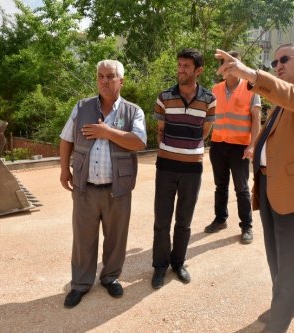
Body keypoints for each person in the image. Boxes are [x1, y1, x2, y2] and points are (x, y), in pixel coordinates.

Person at [215, 44, 294, 333]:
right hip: (270, 184)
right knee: (276, 257)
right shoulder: (283, 98)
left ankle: (278, 324)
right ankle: (286, 305)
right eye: (274, 61)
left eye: (284, 59)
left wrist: (248, 74)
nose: (278, 65)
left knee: (291, 262)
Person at [59, 59, 147, 308]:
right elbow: (66, 139)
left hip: (117, 190)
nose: (105, 81)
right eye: (101, 76)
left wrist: (106, 131)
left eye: (110, 76)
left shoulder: (133, 111)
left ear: (121, 81)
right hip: (85, 187)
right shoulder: (81, 107)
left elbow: (139, 142)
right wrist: (64, 169)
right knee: (83, 238)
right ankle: (80, 284)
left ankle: (110, 278)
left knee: (116, 238)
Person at [151, 48, 216, 289]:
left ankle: (178, 263)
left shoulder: (209, 99)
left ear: (198, 70)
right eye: (179, 65)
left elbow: (204, 133)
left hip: (193, 168)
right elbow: (160, 130)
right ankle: (159, 266)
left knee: (184, 220)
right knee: (162, 219)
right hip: (166, 166)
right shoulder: (164, 97)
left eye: (186, 66)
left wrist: (188, 150)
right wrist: (171, 150)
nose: (180, 70)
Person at [205, 51, 261, 244]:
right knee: (220, 186)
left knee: (242, 188)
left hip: (240, 147)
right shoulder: (216, 89)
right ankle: (220, 219)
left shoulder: (251, 88)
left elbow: (256, 120)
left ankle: (247, 226)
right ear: (222, 68)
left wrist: (253, 145)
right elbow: (209, 117)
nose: (230, 68)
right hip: (218, 145)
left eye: (233, 63)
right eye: (226, 64)